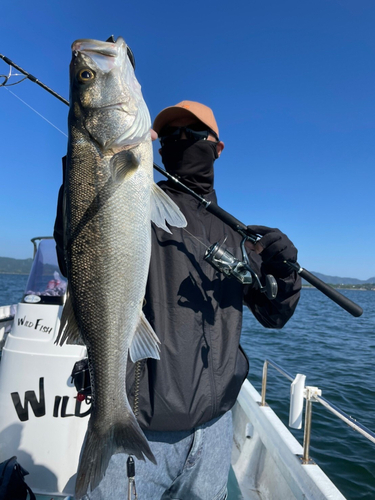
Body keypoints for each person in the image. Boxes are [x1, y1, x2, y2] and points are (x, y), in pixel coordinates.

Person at [54, 100, 301, 500]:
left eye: (194, 134)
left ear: (217, 148)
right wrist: (90, 163)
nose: (181, 141)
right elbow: (77, 255)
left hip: (215, 429)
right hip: (137, 424)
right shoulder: (137, 203)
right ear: (158, 145)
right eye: (171, 136)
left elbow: (275, 315)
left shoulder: (237, 235)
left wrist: (285, 273)